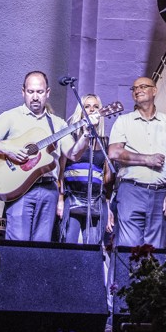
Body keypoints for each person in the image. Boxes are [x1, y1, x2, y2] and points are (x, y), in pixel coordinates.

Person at [0, 71, 80, 242]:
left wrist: (86, 135)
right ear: (23, 92)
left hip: (48, 189)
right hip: (20, 190)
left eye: (39, 92)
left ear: (48, 93)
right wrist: (7, 149)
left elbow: (73, 154)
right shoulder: (11, 116)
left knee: (41, 246)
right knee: (17, 243)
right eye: (31, 92)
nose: (35, 97)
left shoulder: (58, 123)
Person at [108, 77, 166, 248]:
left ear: (155, 90)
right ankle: (125, 276)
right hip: (131, 190)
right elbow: (114, 152)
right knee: (128, 248)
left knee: (155, 251)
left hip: (160, 194)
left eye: (143, 86)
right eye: (134, 88)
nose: (138, 90)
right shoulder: (124, 121)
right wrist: (147, 159)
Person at [58, 94, 114, 245]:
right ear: (81, 111)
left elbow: (107, 180)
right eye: (87, 106)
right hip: (73, 198)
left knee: (93, 246)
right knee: (69, 243)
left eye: (96, 107)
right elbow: (60, 171)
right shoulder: (71, 138)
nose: (92, 110)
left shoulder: (104, 142)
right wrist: (60, 199)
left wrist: (107, 207)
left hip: (96, 200)